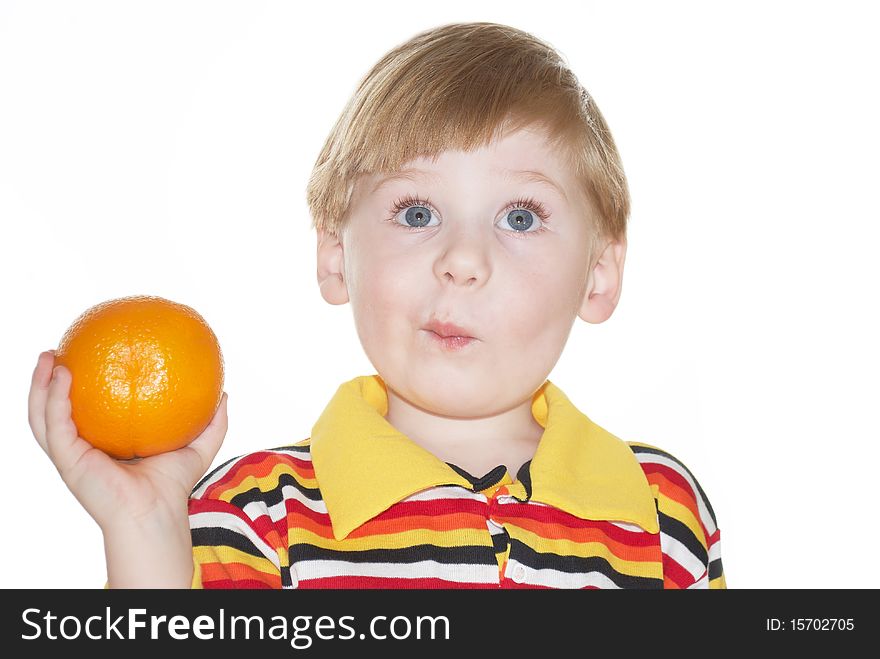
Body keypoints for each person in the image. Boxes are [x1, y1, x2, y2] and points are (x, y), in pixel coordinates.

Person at [28, 21, 725, 589]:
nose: (462, 260)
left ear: (598, 273)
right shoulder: (257, 517)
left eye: (519, 217)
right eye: (418, 211)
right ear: (336, 254)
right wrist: (144, 529)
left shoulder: (661, 511)